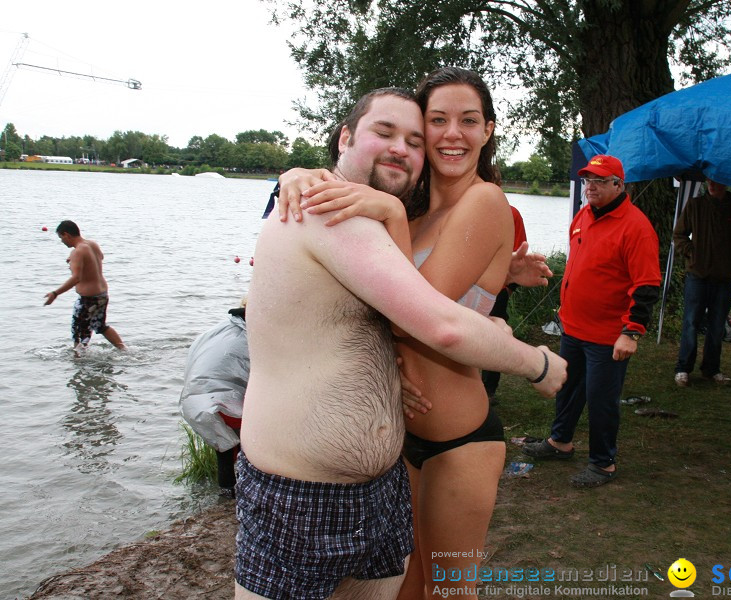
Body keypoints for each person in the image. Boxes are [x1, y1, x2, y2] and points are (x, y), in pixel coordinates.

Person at [237, 86, 565, 600]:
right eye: (436, 121)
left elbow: (420, 310)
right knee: (411, 589)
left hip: (458, 433)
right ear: (346, 136)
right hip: (393, 454)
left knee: (449, 590)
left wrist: (387, 211)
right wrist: (297, 175)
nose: (450, 134)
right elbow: (376, 308)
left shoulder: (474, 199)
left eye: (469, 120)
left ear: (489, 131)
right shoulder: (409, 213)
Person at [521, 154, 661, 487]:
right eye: (587, 181)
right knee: (566, 388)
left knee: (601, 399)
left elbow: (646, 286)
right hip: (573, 326)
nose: (591, 187)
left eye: (599, 181)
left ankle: (603, 463)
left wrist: (631, 332)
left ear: (618, 185)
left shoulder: (636, 227)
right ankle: (560, 442)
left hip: (607, 334)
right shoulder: (583, 215)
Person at [674, 179, 731, 386]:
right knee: (691, 323)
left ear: (726, 183)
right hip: (697, 276)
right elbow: (679, 234)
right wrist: (692, 253)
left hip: (724, 279)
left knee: (717, 325)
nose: (712, 184)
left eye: (717, 181)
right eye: (709, 180)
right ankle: (683, 368)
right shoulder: (695, 205)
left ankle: (711, 369)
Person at [179, 303, 248, 496]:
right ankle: (242, 490)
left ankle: (226, 491)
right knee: (249, 446)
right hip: (221, 402)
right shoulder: (250, 336)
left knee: (224, 445)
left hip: (197, 401)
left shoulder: (222, 329)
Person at [44, 220, 126, 354]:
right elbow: (99, 257)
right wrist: (75, 261)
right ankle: (124, 350)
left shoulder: (78, 252)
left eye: (61, 238)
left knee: (78, 332)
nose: (62, 241)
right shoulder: (91, 244)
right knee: (101, 326)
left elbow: (76, 278)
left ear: (66, 235)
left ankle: (78, 361)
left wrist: (55, 293)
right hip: (102, 295)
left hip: (88, 299)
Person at [482, 205, 529, 405]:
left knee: (494, 337)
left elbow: (521, 252)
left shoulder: (511, 213)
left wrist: (509, 288)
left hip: (497, 289)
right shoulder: (458, 207)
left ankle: (488, 391)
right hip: (463, 287)